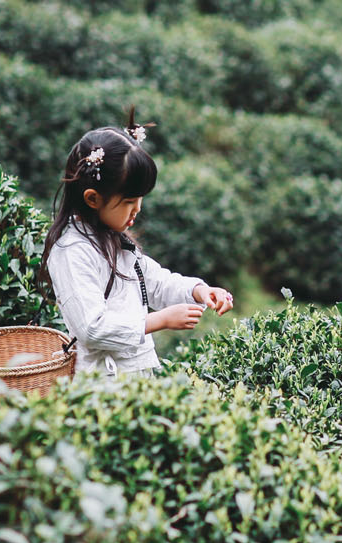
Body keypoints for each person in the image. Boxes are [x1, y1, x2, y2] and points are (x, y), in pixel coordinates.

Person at [36, 111, 234, 376]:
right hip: (102, 384)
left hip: (135, 377)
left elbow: (158, 283)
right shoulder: (72, 252)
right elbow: (91, 329)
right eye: (129, 201)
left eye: (140, 199)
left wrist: (200, 291)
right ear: (93, 199)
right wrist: (159, 320)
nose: (137, 209)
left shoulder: (115, 241)